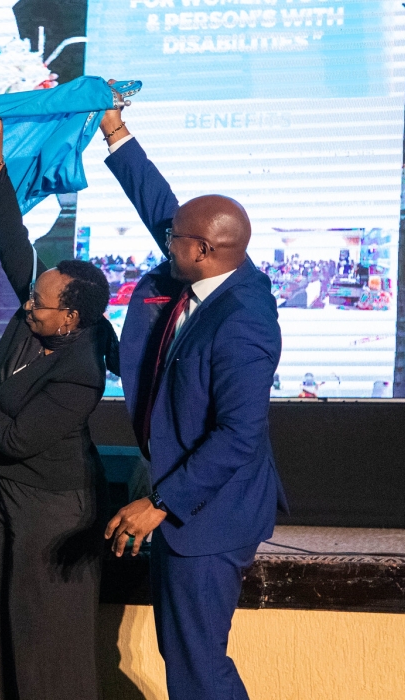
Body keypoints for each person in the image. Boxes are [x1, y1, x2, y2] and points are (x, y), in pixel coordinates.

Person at [97, 87, 286, 700]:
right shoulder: (207, 267)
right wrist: (114, 133)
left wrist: (162, 503)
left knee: (198, 666)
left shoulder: (245, 320)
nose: (163, 239)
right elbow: (161, 206)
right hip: (194, 504)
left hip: (210, 514)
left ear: (204, 251)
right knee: (188, 660)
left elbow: (239, 434)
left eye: (174, 238)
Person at [0, 117, 117, 700]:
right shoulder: (37, 324)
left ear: (72, 317)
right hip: (6, 497)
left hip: (54, 510)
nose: (27, 303)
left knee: (43, 638)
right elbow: (14, 243)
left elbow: (16, 437)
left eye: (40, 300)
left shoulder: (81, 369)